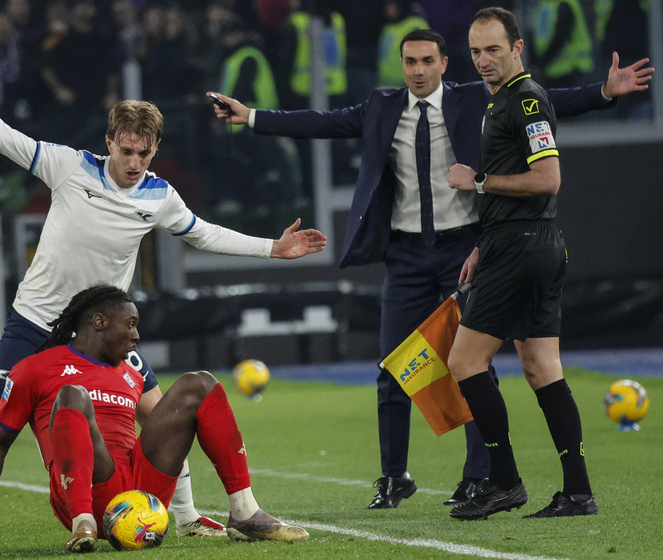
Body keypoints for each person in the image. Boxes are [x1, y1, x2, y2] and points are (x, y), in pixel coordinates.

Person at [0, 30, 327, 554]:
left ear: (155, 148)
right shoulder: (69, 168)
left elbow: (204, 232)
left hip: (100, 335)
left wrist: (271, 249)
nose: (135, 161)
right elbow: (1, 137)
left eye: (145, 152)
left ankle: (186, 516)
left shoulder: (160, 196)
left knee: (162, 413)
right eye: (127, 150)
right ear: (109, 141)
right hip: (34, 324)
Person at [206, 27, 652, 510]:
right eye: (409, 62)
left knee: (472, 364)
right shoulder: (382, 106)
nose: (417, 70)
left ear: (444, 64)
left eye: (426, 61)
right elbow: (322, 121)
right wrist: (251, 117)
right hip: (409, 256)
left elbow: (545, 104)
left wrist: (604, 92)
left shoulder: (478, 98)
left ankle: (484, 477)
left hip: (466, 249)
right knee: (394, 366)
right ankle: (395, 476)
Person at [444, 6, 640, 520]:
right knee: (540, 367)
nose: (484, 60)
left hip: (523, 249)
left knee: (464, 362)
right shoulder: (505, 101)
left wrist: (479, 182)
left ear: (517, 49)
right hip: (527, 243)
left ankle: (504, 481)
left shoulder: (525, 101)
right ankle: (577, 491)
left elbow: (547, 179)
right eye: (476, 52)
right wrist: (483, 242)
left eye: (493, 49)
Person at [0, 284, 309, 553]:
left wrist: (186, 512)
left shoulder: (131, 373)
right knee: (73, 394)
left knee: (199, 383)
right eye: (130, 325)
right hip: (86, 490)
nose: (136, 336)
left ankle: (244, 512)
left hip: (140, 486)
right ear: (99, 322)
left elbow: (166, 435)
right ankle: (83, 524)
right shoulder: (35, 368)